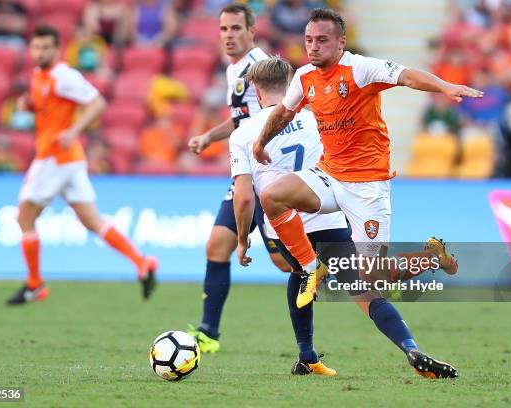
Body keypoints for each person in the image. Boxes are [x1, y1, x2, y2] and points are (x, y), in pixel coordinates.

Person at [253, 8, 480, 378]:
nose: (313, 46)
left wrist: (445, 86)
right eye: (308, 40)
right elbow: (283, 111)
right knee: (273, 195)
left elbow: (407, 76)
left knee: (369, 285)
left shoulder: (361, 69)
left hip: (367, 189)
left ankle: (430, 260)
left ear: (340, 42)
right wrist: (262, 143)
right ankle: (311, 267)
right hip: (328, 175)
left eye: (322, 40)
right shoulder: (305, 76)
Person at [6, 25, 157, 306]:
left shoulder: (64, 75)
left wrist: (74, 130)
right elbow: (50, 108)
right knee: (93, 222)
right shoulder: (40, 75)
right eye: (35, 47)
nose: (39, 52)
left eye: (45, 48)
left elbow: (97, 103)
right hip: (71, 161)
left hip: (54, 157)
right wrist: (29, 106)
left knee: (24, 218)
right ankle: (142, 262)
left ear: (57, 49)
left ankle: (35, 284)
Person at [230, 57, 348, 376]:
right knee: (365, 280)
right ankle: (423, 264)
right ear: (292, 84)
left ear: (256, 90)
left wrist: (242, 241)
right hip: (324, 212)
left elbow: (243, 198)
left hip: (283, 223)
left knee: (297, 269)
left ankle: (306, 352)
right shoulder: (315, 119)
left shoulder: (243, 134)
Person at [186, 3, 292, 353]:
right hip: (246, 172)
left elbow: (278, 114)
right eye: (223, 29)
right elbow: (241, 120)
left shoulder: (261, 68)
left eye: (235, 29)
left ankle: (356, 274)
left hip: (269, 173)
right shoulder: (236, 70)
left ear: (252, 31)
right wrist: (207, 137)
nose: (228, 36)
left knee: (283, 262)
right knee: (218, 244)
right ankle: (208, 332)